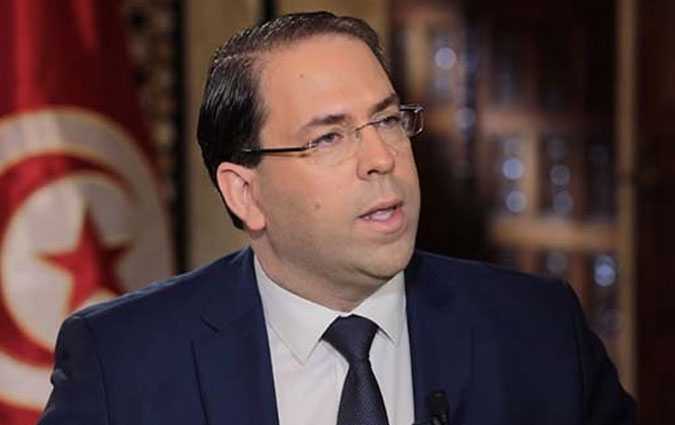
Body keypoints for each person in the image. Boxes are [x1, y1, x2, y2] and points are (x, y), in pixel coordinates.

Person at [39, 11, 635, 425]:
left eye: (388, 120)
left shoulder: (537, 332)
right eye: (328, 138)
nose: (382, 158)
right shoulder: (123, 362)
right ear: (245, 193)